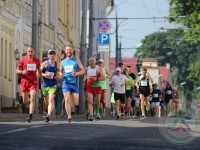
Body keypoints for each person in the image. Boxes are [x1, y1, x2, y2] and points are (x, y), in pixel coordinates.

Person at [16, 45, 43, 123]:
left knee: (32, 97)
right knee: (25, 101)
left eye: (31, 51)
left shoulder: (37, 61)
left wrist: (41, 77)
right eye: (29, 51)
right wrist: (22, 72)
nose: (30, 53)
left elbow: (39, 70)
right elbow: (17, 70)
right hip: (24, 82)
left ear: (34, 52)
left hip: (33, 82)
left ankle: (30, 115)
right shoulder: (23, 60)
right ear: (26, 52)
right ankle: (26, 104)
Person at [59, 44, 85, 123]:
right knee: (66, 99)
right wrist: (61, 74)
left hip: (74, 83)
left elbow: (83, 70)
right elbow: (60, 72)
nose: (68, 51)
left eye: (70, 50)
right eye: (67, 50)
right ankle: (69, 116)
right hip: (66, 83)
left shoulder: (76, 60)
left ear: (72, 51)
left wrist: (76, 73)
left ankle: (75, 106)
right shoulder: (62, 62)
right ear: (65, 51)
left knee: (75, 102)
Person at [40, 49, 59, 122]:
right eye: (50, 53)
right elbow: (38, 73)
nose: (52, 55)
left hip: (53, 85)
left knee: (51, 99)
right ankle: (50, 110)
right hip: (44, 85)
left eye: (53, 53)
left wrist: (58, 76)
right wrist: (45, 75)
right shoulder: (44, 63)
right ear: (48, 55)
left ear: (55, 55)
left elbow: (60, 73)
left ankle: (48, 115)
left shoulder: (57, 65)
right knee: (47, 101)